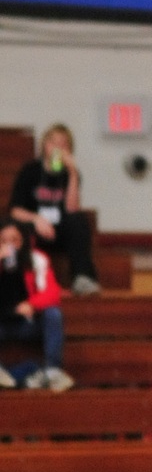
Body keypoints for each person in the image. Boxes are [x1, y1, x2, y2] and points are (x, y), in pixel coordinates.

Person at [8, 123, 99, 294]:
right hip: (35, 228)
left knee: (79, 221)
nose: (57, 148)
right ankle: (20, 283)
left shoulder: (71, 174)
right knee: (14, 227)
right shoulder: (30, 170)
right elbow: (15, 210)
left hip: (60, 230)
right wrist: (36, 219)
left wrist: (72, 173)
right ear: (45, 145)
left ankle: (82, 278)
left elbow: (72, 209)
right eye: (53, 142)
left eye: (63, 144)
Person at [0, 219, 72, 390]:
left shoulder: (36, 259)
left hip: (27, 322)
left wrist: (31, 304)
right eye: (3, 240)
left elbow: (53, 292)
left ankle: (52, 371)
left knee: (53, 314)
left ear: (23, 241)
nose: (10, 245)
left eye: (15, 240)